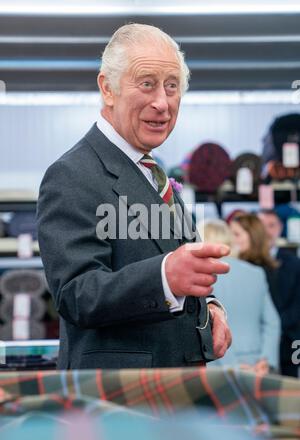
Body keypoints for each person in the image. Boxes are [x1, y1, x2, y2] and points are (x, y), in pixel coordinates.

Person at [37, 24, 232, 370]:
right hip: (117, 403)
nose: (162, 102)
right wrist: (163, 277)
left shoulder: (154, 174)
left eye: (172, 86)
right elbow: (76, 294)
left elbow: (180, 270)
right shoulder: (72, 174)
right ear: (107, 88)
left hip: (176, 395)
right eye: (147, 83)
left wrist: (211, 306)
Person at [204, 220, 280, 373]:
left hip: (218, 365)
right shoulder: (256, 273)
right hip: (257, 363)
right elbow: (272, 322)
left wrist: (232, 365)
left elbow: (210, 327)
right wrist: (266, 359)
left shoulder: (203, 277)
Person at [258, 209, 300, 377]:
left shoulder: (295, 264)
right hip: (258, 339)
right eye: (262, 226)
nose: (267, 231)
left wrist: (276, 326)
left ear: (280, 228)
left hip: (289, 339)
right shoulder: (248, 263)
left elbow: (298, 303)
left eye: (272, 225)